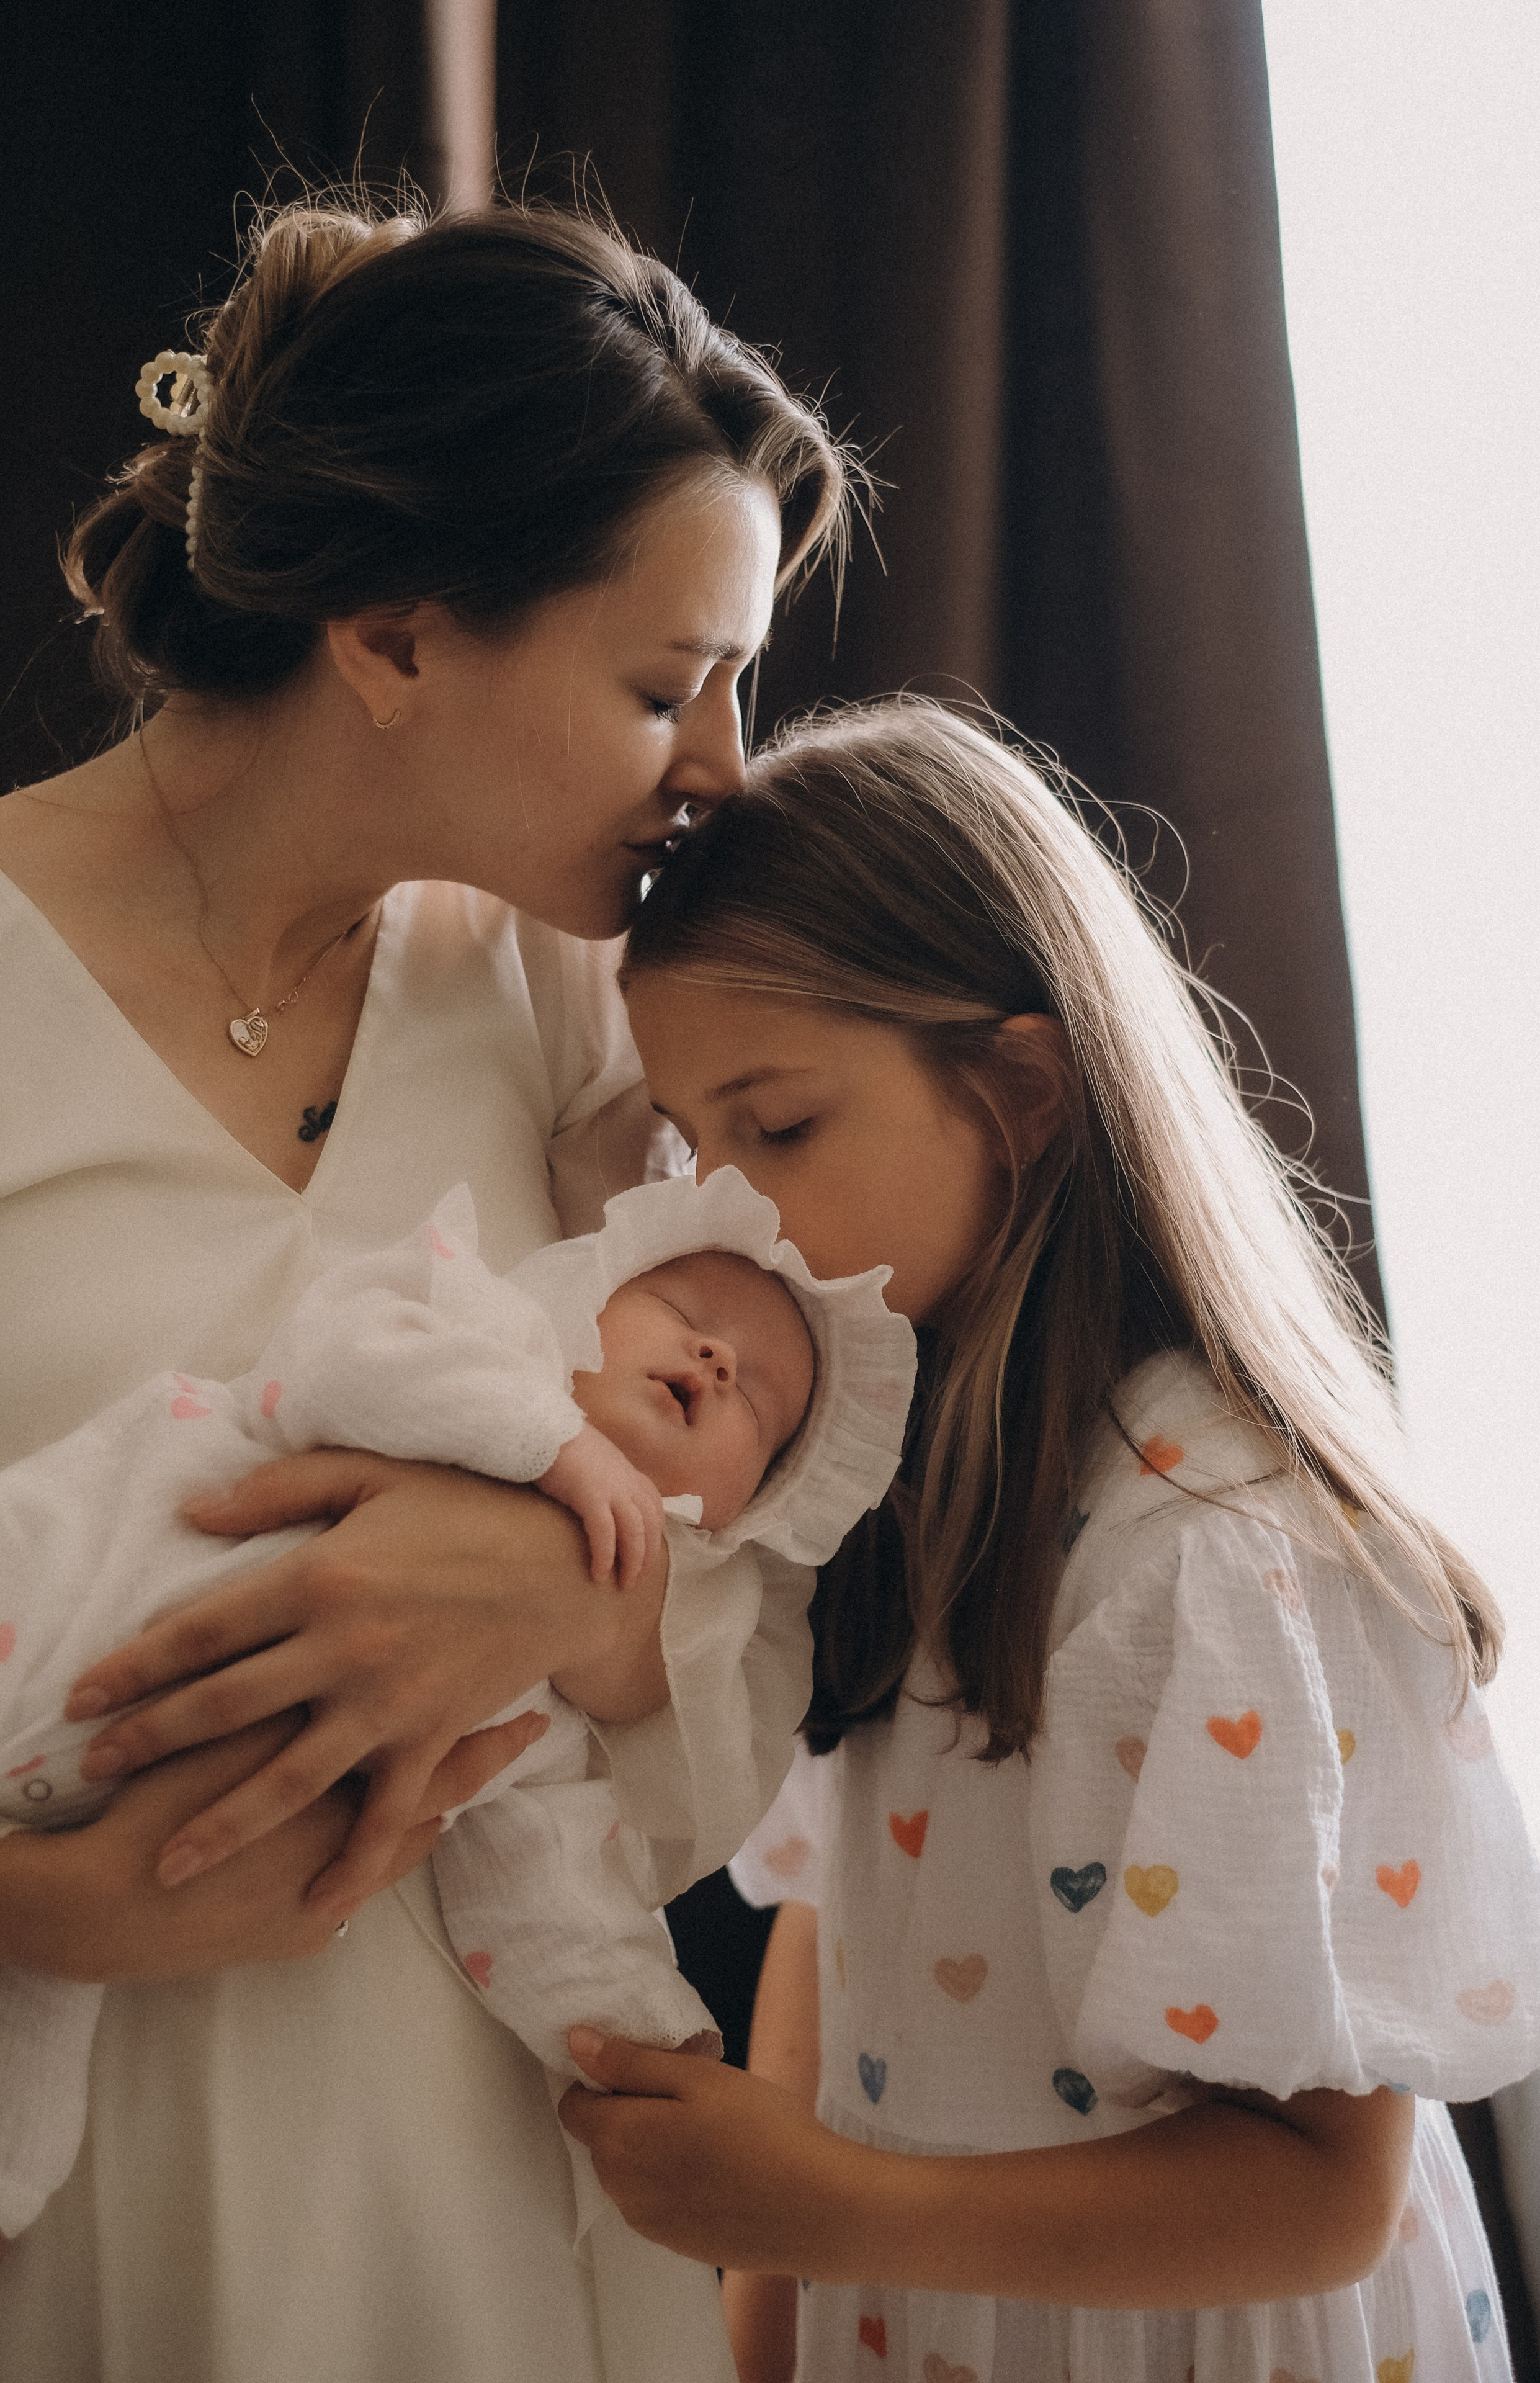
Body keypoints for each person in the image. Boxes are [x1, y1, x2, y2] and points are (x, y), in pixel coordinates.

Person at [0, 190, 851, 2381]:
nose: (725, 775)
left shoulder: (589, 1020)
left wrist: (577, 1602)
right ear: (391, 639)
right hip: (85, 2201)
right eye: (668, 685)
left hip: (507, 2191)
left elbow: (749, 1668)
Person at [559, 698, 1540, 2383]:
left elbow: (1320, 2192)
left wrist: (829, 2209)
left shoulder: (1213, 1549)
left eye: (782, 1128)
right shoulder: (892, 1486)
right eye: (692, 1145)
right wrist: (772, 2310)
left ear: (1021, 1091)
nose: (723, 1209)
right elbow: (827, 1928)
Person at [0, 1164, 915, 2244]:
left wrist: (638, 2038)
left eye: (758, 1407)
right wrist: (545, 1440)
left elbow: (541, 1885)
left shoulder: (550, 1701)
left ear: (740, 1518)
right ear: (587, 1294)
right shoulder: (478, 1340)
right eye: (685, 1313)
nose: (717, 1361)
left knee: (28, 2115)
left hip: (114, 1855)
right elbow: (335, 1355)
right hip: (66, 1580)